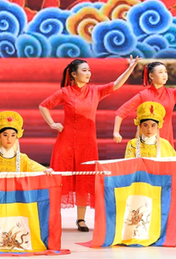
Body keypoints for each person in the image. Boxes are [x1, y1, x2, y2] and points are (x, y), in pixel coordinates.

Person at [38, 56, 138, 232]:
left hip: (87, 142)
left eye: (89, 70)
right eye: (84, 70)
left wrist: (130, 68)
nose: (88, 73)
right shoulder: (65, 92)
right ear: (73, 74)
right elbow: (43, 105)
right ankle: (53, 217)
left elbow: (116, 85)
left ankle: (81, 219)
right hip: (66, 142)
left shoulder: (95, 91)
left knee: (84, 179)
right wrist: (52, 123)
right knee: (61, 178)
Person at [113, 52, 176, 145]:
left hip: (165, 141)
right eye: (160, 72)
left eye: (165, 72)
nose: (164, 75)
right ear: (151, 76)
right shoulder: (143, 95)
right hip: (146, 143)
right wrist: (116, 132)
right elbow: (121, 112)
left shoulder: (172, 93)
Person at [124, 101, 176, 179]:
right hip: (140, 186)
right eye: (145, 125)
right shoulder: (132, 144)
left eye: (153, 125)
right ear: (140, 126)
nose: (149, 129)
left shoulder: (165, 144)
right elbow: (127, 169)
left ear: (158, 126)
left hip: (160, 186)